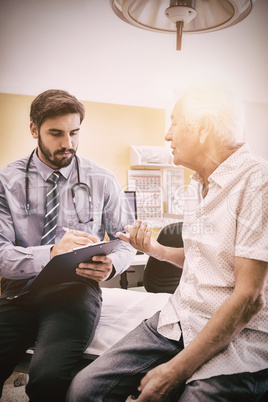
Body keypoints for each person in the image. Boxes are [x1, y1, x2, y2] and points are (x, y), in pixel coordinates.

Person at [67, 80, 268, 402]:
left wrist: (176, 370)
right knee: (84, 389)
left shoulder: (259, 182)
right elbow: (204, 257)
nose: (167, 135)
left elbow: (249, 299)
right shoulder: (195, 185)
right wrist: (154, 249)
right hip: (180, 316)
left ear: (202, 128)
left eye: (174, 122)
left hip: (242, 332)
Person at [0, 89, 136, 401]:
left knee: (47, 380)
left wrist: (113, 264)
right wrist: (50, 254)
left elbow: (126, 242)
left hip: (75, 292)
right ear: (34, 130)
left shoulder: (102, 179)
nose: (68, 144)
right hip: (18, 291)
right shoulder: (6, 182)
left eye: (74, 133)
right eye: (56, 133)